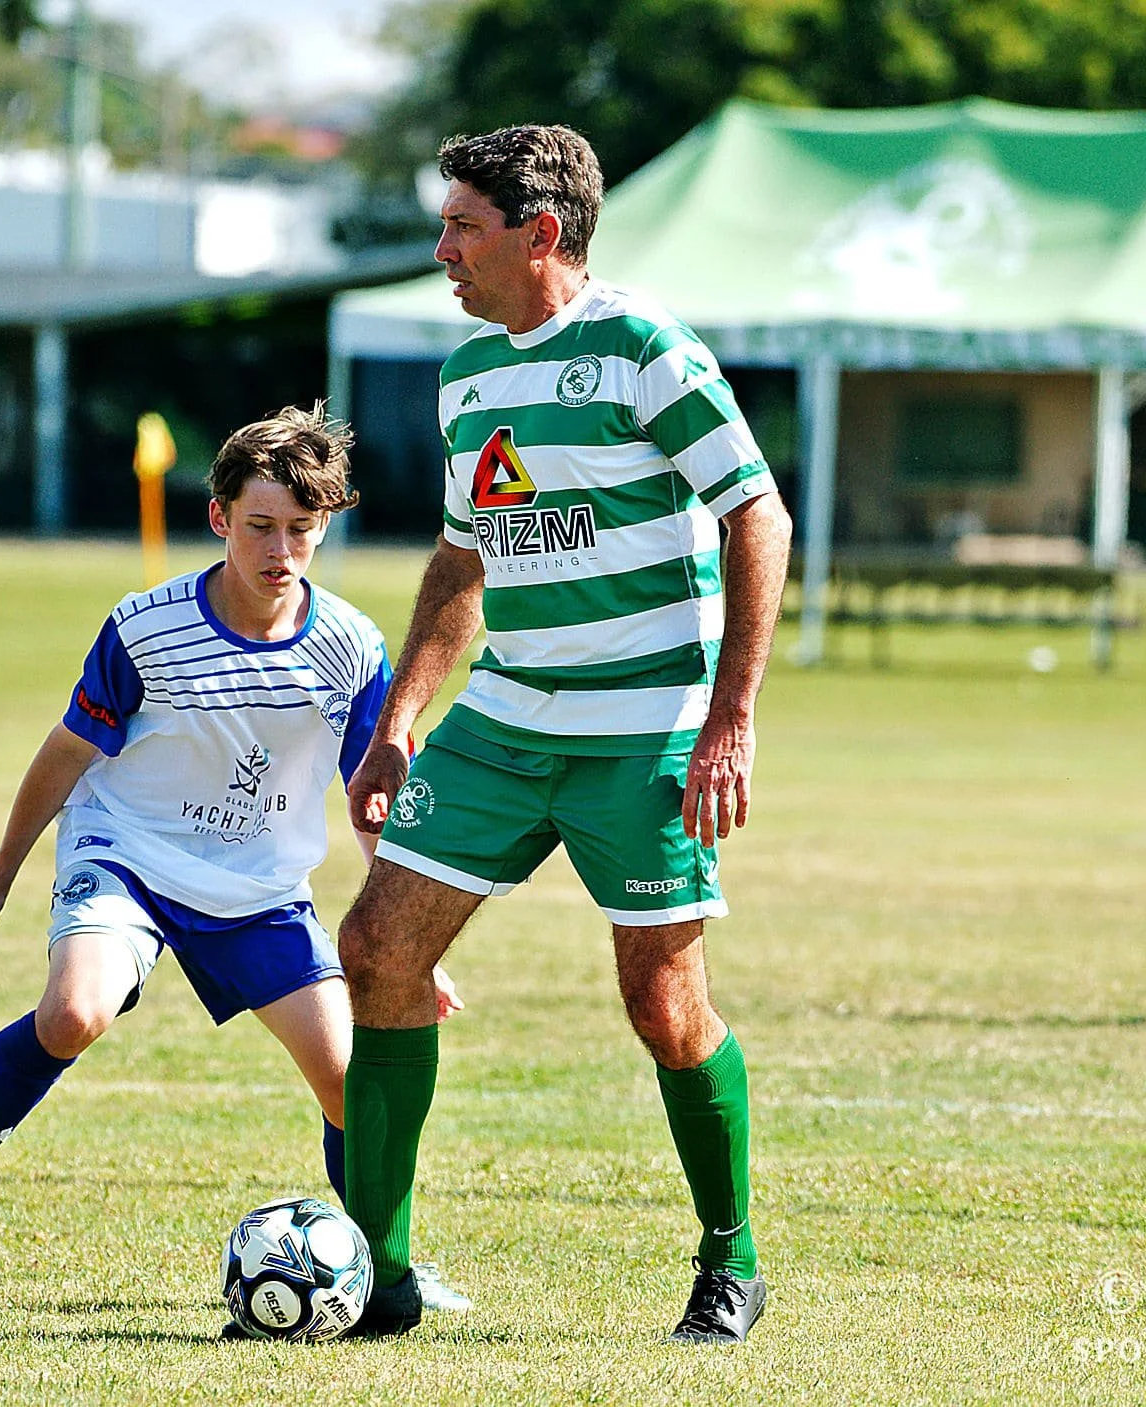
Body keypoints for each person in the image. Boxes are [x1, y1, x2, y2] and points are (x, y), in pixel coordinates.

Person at [0, 405, 468, 1318]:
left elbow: (368, 798)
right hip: (130, 857)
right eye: (260, 525)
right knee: (72, 1014)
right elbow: (66, 753)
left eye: (302, 530)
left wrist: (411, 939)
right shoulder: (145, 628)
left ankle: (389, 1267)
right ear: (219, 517)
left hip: (259, 887)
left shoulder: (350, 645)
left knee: (350, 1081)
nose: (280, 549)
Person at [337, 125, 793, 1344]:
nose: (442, 252)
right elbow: (462, 556)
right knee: (377, 951)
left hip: (642, 731)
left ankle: (729, 1258)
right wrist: (400, 720)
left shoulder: (645, 349)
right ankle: (376, 1284)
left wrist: (727, 723)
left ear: (540, 234)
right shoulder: (469, 375)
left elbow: (757, 515)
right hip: (504, 720)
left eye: (461, 229)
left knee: (661, 1003)